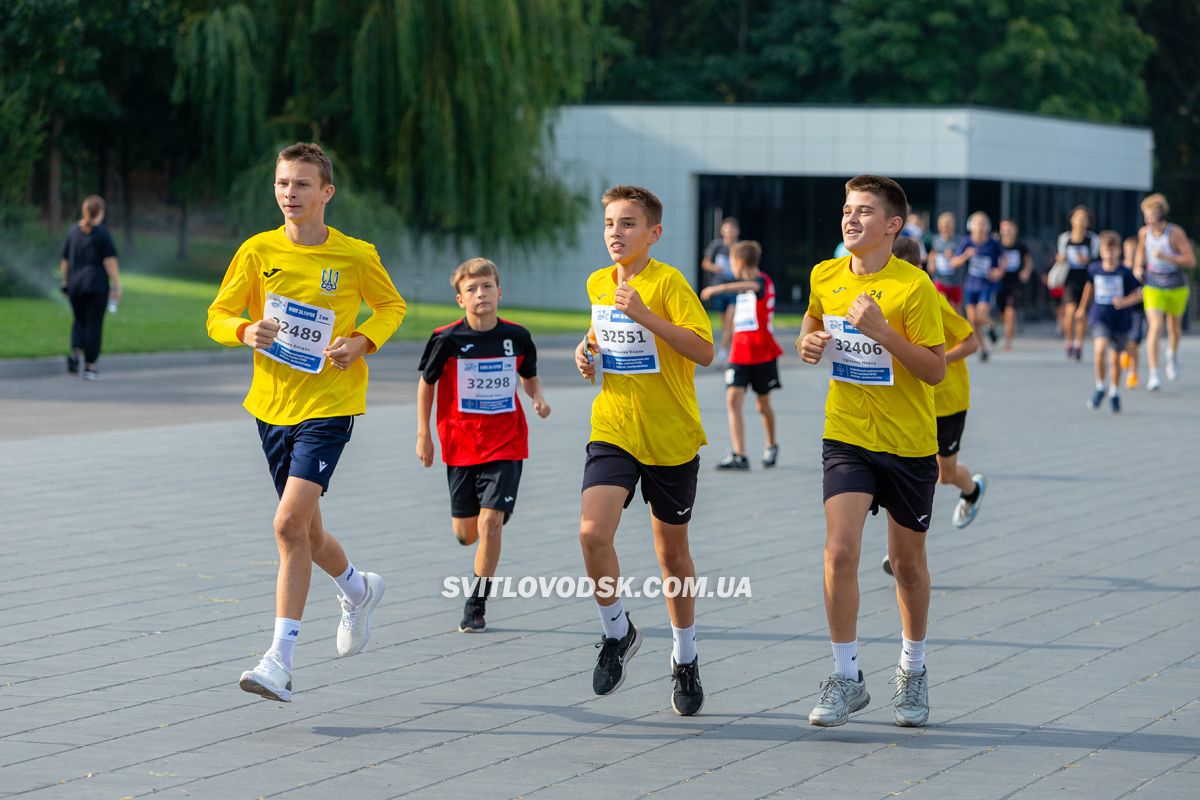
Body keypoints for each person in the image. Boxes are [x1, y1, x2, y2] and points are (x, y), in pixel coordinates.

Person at [206, 143, 406, 702]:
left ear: (326, 193)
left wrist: (361, 342)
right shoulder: (257, 251)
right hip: (271, 407)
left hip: (330, 404)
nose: (289, 194)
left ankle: (280, 660)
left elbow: (392, 307)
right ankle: (358, 589)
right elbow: (218, 315)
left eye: (300, 185)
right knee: (308, 532)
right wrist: (245, 331)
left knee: (287, 524)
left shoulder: (355, 255)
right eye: (282, 184)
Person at [796, 175, 945, 728]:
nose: (850, 219)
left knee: (907, 565)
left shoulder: (915, 287)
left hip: (907, 444)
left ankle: (913, 669)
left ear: (892, 226)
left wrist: (883, 332)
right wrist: (806, 340)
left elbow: (934, 369)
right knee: (839, 552)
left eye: (864, 211)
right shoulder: (825, 274)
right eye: (846, 209)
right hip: (847, 435)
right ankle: (845, 675)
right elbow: (814, 318)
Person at [574, 185, 714, 716]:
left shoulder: (668, 283)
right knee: (592, 533)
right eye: (610, 223)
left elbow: (704, 349)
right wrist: (587, 354)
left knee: (671, 554)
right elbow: (598, 338)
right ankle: (618, 631)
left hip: (671, 437)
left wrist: (646, 316)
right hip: (613, 427)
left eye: (628, 224)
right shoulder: (597, 282)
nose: (616, 233)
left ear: (653, 233)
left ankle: (685, 657)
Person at [416, 258, 551, 633]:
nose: (481, 294)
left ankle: (476, 603)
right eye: (472, 289)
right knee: (467, 533)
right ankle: (489, 516)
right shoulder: (446, 339)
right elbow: (427, 384)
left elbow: (529, 375)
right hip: (460, 444)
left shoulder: (517, 336)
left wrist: (537, 398)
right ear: (460, 299)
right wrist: (423, 434)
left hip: (506, 442)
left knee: (490, 523)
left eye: (487, 287)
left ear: (499, 292)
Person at [698, 240, 783, 470]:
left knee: (762, 404)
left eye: (732, 262)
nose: (730, 268)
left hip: (763, 353)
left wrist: (718, 288)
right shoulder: (741, 288)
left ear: (741, 262)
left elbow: (754, 287)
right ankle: (739, 454)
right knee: (732, 398)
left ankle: (771, 444)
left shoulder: (761, 282)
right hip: (739, 354)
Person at [1134, 193, 1196, 391]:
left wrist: (1169, 257)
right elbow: (1140, 253)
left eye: (1151, 215)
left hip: (1175, 286)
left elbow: (1191, 260)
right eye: (1146, 215)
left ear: (1160, 215)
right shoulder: (1144, 233)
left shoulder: (1174, 232)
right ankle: (1154, 373)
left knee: (1174, 329)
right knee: (1155, 326)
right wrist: (1137, 267)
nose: (1148, 220)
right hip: (1153, 286)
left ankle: (1172, 354)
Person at [1077, 231, 1142, 412]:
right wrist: (1082, 308)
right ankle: (1100, 386)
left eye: (1113, 250)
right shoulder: (1094, 269)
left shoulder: (1125, 272)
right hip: (1099, 316)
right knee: (1099, 348)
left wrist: (1124, 302)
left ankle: (1114, 391)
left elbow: (1138, 294)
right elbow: (1089, 287)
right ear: (1101, 251)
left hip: (1120, 320)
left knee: (1115, 360)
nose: (1109, 254)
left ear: (1118, 251)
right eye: (1106, 250)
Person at [60, 195, 121, 380]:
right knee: (94, 325)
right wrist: (117, 285)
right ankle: (90, 366)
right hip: (96, 286)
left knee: (79, 320)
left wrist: (65, 282)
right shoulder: (102, 233)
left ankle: (76, 350)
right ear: (100, 212)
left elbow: (64, 261)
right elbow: (110, 262)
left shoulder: (72, 232)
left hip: (75, 285)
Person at [951, 211, 1002, 362]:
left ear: (987, 226)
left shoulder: (993, 243)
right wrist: (966, 255)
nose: (979, 227)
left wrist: (998, 271)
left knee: (981, 314)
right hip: (970, 285)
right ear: (971, 226)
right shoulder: (966, 242)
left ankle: (990, 325)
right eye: (977, 223)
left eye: (982, 223)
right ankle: (984, 348)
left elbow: (1003, 259)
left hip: (986, 285)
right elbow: (954, 262)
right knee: (972, 320)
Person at [1056, 206, 1100, 361]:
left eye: (1084, 218)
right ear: (1072, 220)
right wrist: (1060, 259)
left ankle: (1079, 344)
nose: (1080, 221)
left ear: (1088, 222)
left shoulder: (1093, 239)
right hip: (1070, 278)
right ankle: (1069, 341)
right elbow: (1060, 256)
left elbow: (1097, 261)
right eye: (1077, 218)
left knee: (1081, 313)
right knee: (1069, 311)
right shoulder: (1065, 238)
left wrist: (1087, 260)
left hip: (1087, 279)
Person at [700, 217, 740, 363]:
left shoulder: (738, 247)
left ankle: (724, 352)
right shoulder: (716, 246)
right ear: (722, 230)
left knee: (730, 322)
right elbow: (705, 263)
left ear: (737, 231)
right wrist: (715, 268)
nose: (729, 232)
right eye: (727, 228)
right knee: (726, 325)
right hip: (718, 288)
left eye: (732, 229)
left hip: (735, 289)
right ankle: (729, 348)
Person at [996, 219, 1034, 351]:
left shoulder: (1021, 246)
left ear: (1015, 230)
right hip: (999, 283)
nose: (1007, 231)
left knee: (1010, 311)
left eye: (1009, 228)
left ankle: (1008, 341)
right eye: (1004, 229)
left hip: (1015, 283)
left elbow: (1028, 261)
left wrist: (1026, 272)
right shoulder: (997, 245)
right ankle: (1005, 327)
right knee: (1003, 314)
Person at [1121, 236, 1145, 388]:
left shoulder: (1142, 270)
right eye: (1127, 250)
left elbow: (1142, 292)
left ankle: (1132, 373)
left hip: (1136, 311)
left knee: (1133, 342)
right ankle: (1124, 354)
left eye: (1133, 251)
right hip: (1121, 311)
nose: (1130, 253)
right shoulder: (1118, 268)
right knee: (1123, 342)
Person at [927, 212, 963, 311]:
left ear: (953, 227)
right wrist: (931, 263)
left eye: (948, 227)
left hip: (955, 280)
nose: (945, 229)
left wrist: (954, 256)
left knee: (955, 310)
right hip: (940, 279)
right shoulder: (936, 239)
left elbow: (963, 257)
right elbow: (932, 254)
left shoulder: (959, 240)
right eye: (943, 227)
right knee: (940, 306)